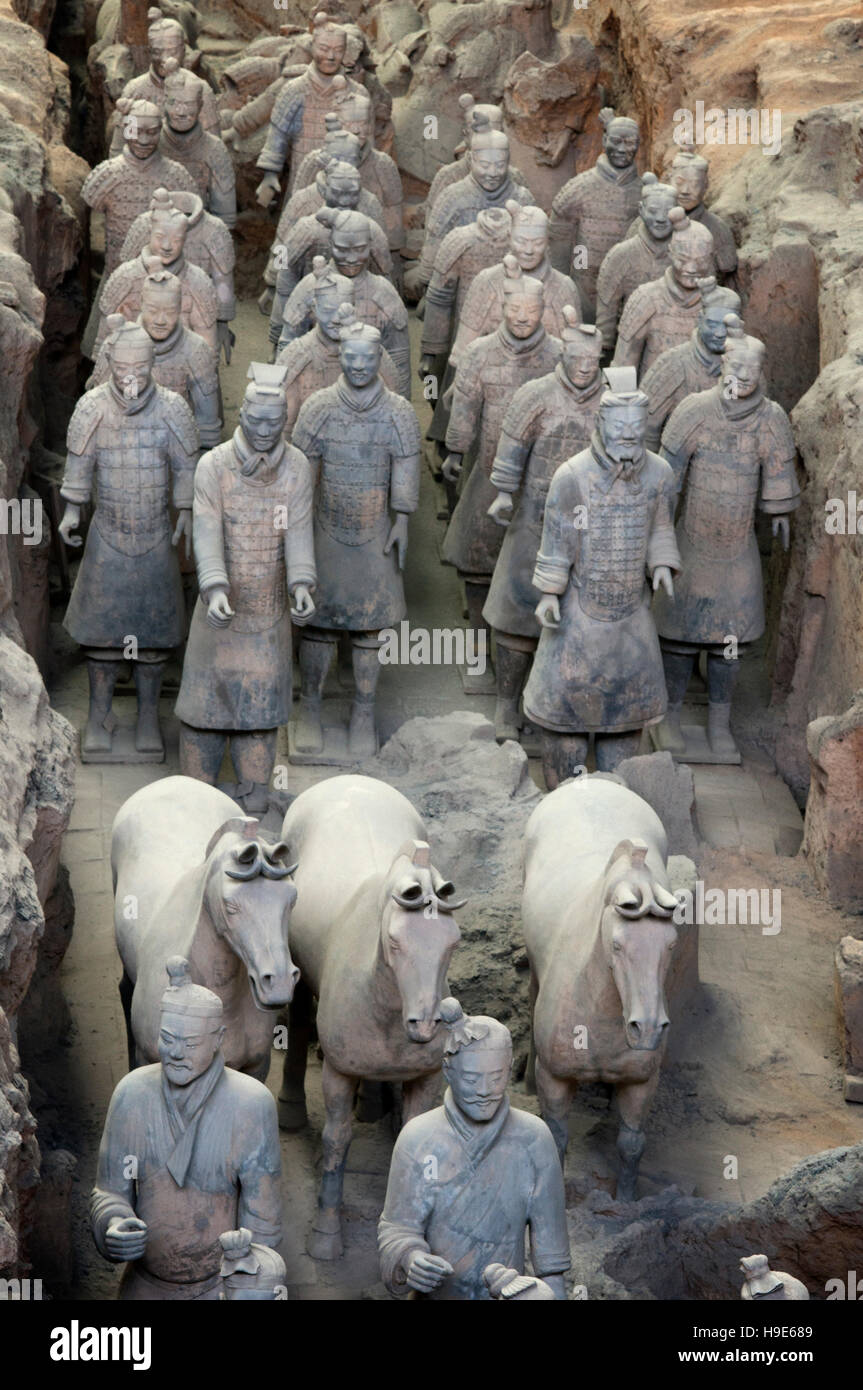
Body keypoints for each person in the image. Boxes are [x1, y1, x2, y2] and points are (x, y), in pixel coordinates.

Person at [90, 957, 282, 1300]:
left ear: (217, 1039)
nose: (176, 1054)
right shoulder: (132, 1095)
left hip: (219, 1286)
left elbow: (263, 1226)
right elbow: (110, 1192)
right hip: (145, 1285)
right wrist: (113, 1225)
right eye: (168, 1039)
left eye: (191, 1044)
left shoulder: (251, 1105)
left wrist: (250, 1272)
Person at [522, 374, 681, 786]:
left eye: (636, 426)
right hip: (579, 614)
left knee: (625, 720)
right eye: (619, 426)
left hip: (631, 616)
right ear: (601, 425)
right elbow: (558, 539)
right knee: (565, 722)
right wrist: (550, 593)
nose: (629, 435)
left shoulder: (660, 473)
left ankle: (615, 803)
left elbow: (661, 525)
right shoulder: (572, 476)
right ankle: (565, 805)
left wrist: (662, 563)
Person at [176, 365, 316, 813]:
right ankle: (198, 805)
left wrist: (300, 583)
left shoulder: (296, 468)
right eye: (255, 421)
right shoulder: (212, 467)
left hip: (267, 615)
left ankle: (254, 803)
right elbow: (207, 530)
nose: (263, 431)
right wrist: (215, 586)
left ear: (285, 422)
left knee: (260, 720)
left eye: (273, 423)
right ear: (242, 415)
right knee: (203, 716)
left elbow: (295, 529)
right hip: (219, 617)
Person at [378, 1000, 570, 1300]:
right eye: (471, 1078)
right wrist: (410, 1258)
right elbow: (397, 1228)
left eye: (496, 1077)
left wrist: (543, 1295)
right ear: (448, 1071)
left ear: (509, 1071)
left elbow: (553, 1267)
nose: (484, 1090)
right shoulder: (417, 1137)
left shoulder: (535, 1140)